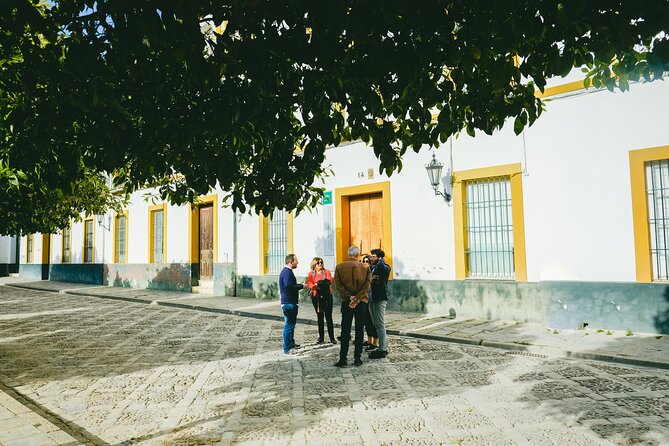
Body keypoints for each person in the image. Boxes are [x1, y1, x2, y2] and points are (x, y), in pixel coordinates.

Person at [333, 246, 371, 367]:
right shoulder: (365, 268)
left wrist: (349, 297)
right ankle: (357, 358)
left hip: (346, 301)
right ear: (358, 254)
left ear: (348, 254)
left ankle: (343, 358)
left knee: (345, 330)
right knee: (360, 330)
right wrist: (357, 298)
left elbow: (338, 284)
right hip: (361, 302)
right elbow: (367, 285)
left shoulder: (339, 267)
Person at [306, 257, 336, 344]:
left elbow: (329, 282)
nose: (320, 264)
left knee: (329, 317)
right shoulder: (311, 274)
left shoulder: (327, 272)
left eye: (321, 262)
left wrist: (318, 284)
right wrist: (320, 284)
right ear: (314, 265)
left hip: (327, 297)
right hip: (317, 298)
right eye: (318, 263)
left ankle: (332, 338)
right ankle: (321, 337)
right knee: (320, 317)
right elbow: (311, 285)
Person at [368, 249, 391, 359]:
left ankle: (382, 349)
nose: (371, 258)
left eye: (373, 256)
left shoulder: (384, 266)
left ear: (379, 258)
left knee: (380, 324)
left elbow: (383, 268)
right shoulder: (374, 268)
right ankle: (381, 347)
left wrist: (382, 259)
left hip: (380, 298)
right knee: (376, 323)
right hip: (372, 298)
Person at [279, 254, 304, 356]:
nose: (297, 262)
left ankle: (291, 343)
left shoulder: (287, 272)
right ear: (291, 261)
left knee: (291, 325)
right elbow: (289, 286)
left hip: (290, 302)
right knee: (289, 325)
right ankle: (287, 348)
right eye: (296, 260)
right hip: (289, 303)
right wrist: (302, 286)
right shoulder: (286, 272)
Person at [361, 255, 379, 351]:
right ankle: (369, 340)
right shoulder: (362, 272)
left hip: (372, 299)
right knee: (367, 321)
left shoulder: (372, 271)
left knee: (373, 322)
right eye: (363, 261)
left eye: (367, 261)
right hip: (365, 300)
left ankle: (375, 343)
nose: (365, 263)